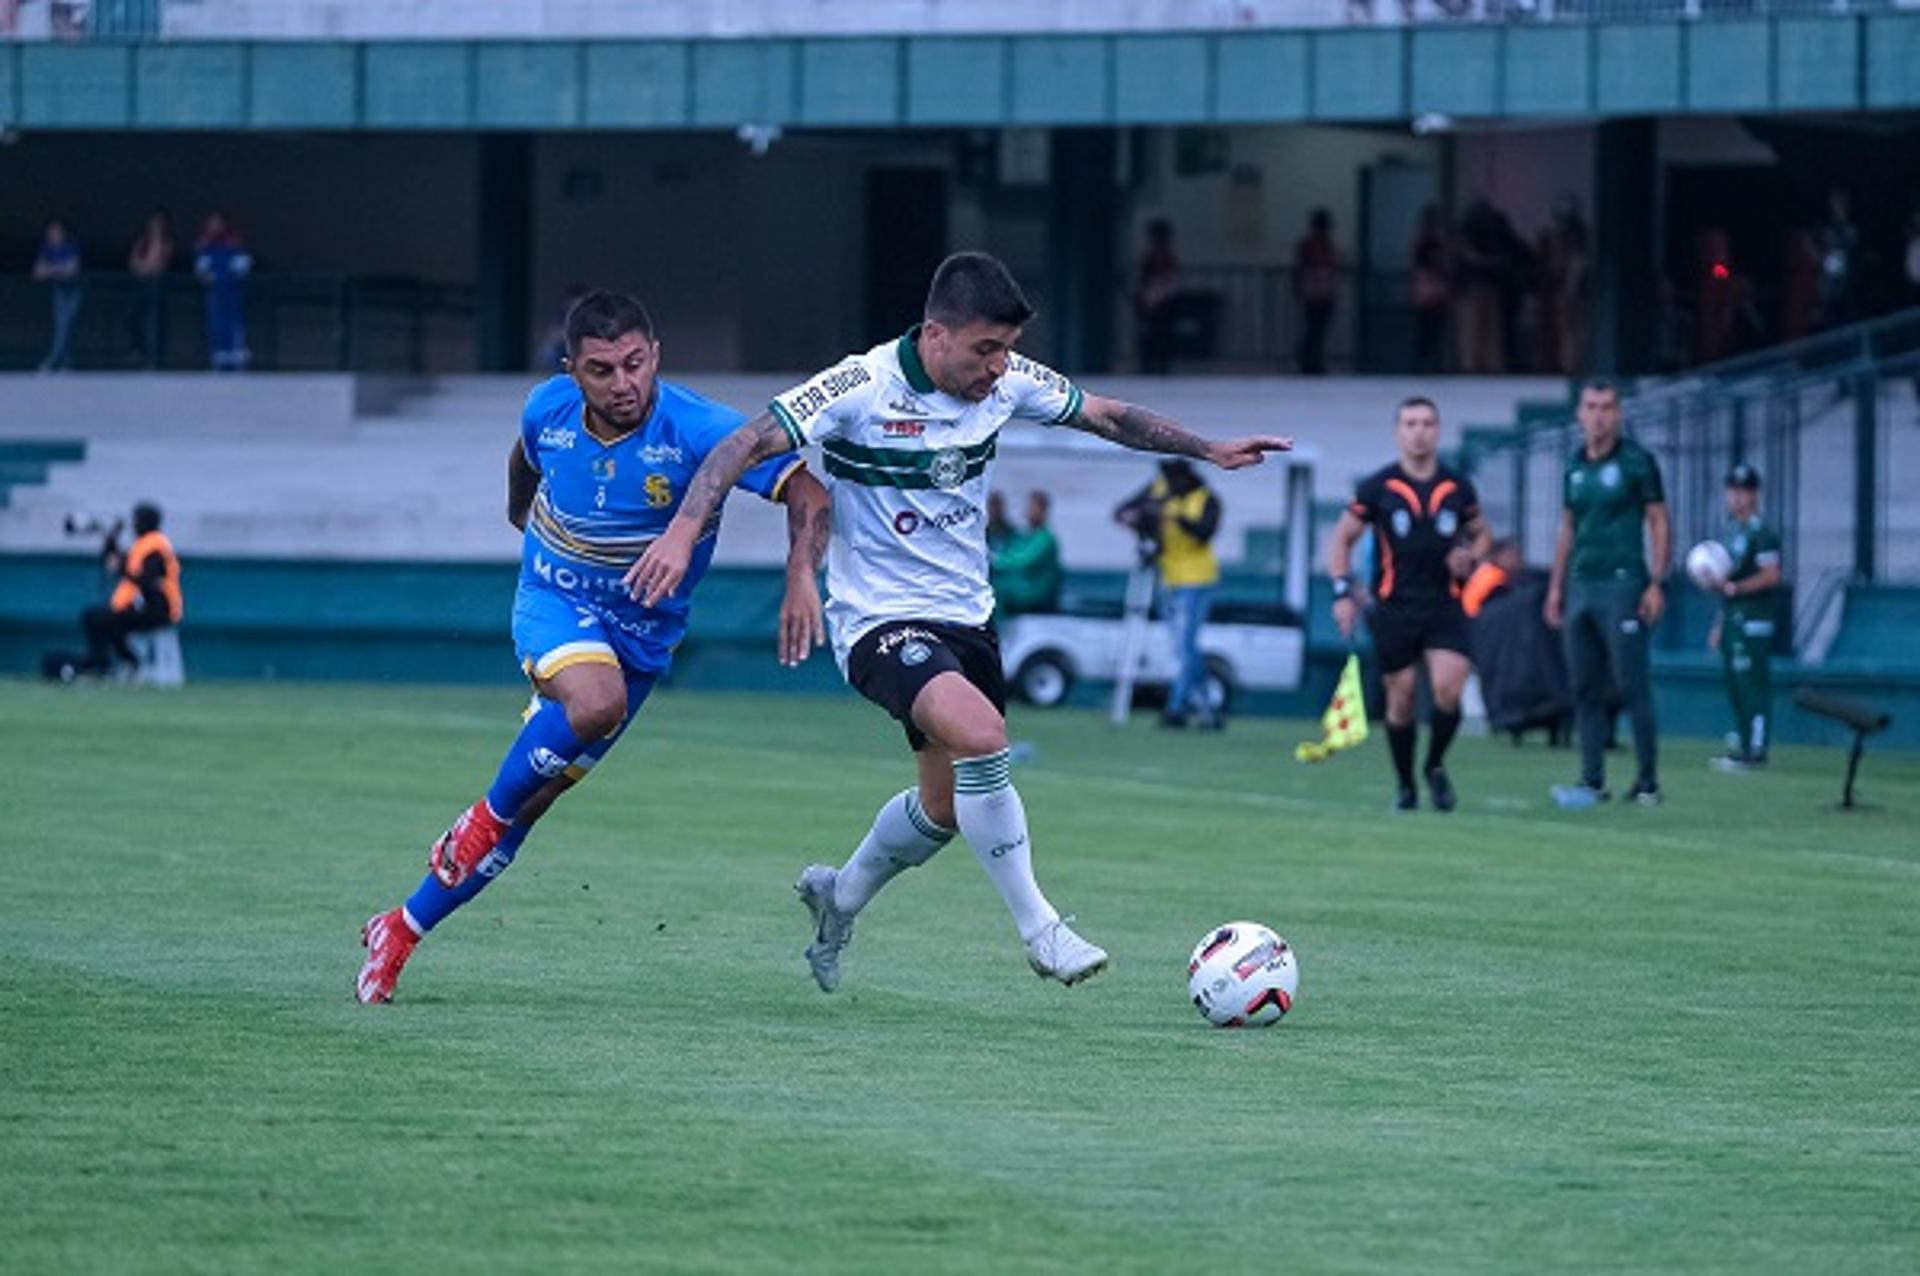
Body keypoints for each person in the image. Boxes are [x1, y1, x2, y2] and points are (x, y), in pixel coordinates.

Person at [624, 251, 1291, 993]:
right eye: (986, 349)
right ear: (935, 334)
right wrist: (686, 531)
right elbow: (742, 444)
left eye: (1006, 349)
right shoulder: (860, 386)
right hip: (878, 620)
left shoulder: (1006, 383)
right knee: (984, 736)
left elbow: (1106, 414)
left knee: (943, 808)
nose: (1000, 367)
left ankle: (838, 900)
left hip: (967, 618)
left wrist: (1207, 448)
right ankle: (1043, 931)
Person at [354, 291, 831, 1004]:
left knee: (534, 804)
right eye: (602, 369)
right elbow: (527, 454)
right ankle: (475, 819)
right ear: (573, 370)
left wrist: (799, 575)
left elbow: (811, 495)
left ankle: (401, 929)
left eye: (635, 364)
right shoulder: (548, 408)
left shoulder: (700, 429)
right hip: (555, 603)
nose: (623, 383)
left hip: (643, 639)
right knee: (590, 703)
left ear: (656, 357)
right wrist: (520, 514)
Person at [1327, 397, 1490, 811]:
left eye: (1427, 423)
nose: (1419, 431)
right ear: (1398, 432)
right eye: (1411, 423)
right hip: (1394, 606)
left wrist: (1471, 557)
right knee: (1400, 700)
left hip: (1444, 605)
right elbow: (1342, 539)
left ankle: (1434, 765)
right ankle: (1405, 783)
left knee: (1448, 688)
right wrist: (1343, 592)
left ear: (1438, 430)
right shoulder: (1378, 487)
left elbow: (1483, 534)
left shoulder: (1457, 487)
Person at [1545, 380, 1671, 809]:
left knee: (1631, 682)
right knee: (1584, 685)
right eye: (1591, 407)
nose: (1598, 416)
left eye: (1607, 407)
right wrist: (1555, 586)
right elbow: (1567, 527)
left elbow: (1657, 519)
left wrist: (1657, 580)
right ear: (1580, 413)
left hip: (1623, 582)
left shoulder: (1637, 462)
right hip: (1582, 583)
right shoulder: (1574, 465)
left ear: (1618, 414)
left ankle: (1648, 780)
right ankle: (1592, 778)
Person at [1115, 459, 1224, 729]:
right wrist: (1140, 519)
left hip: (1197, 580)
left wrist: (1171, 515)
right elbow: (1124, 510)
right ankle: (1208, 709)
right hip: (1169, 578)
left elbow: (1203, 533)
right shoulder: (1161, 489)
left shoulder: (1206, 499)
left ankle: (1176, 709)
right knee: (1183, 648)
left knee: (1185, 646)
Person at [42, 503, 183, 681]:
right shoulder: (143, 546)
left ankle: (121, 662)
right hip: (144, 606)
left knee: (107, 620)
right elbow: (119, 562)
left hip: (159, 609)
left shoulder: (156, 547)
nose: (134, 525)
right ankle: (109, 662)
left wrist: (121, 567)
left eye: (137, 520)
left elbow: (145, 578)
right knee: (97, 617)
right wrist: (110, 538)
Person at [1708, 463, 1782, 771]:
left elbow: (1771, 576)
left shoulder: (1761, 533)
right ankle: (1741, 741)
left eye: (1745, 491)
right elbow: (1725, 586)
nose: (1739, 498)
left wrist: (1735, 588)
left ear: (1755, 495)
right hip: (1734, 619)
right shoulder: (1730, 532)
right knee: (1735, 683)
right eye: (1734, 491)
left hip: (1754, 619)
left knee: (1753, 685)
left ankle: (1756, 748)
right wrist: (1719, 623)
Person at [193, 213, 252, 371]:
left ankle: (236, 356)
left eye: (217, 223)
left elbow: (243, 264)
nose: (215, 227)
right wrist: (208, 277)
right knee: (216, 322)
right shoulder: (204, 246)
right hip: (215, 291)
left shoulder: (233, 244)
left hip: (232, 290)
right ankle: (219, 356)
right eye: (212, 224)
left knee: (234, 321)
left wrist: (233, 275)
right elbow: (201, 268)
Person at [991, 490, 1064, 617]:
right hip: (1024, 588)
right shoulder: (1026, 536)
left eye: (1033, 508)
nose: (1029, 512)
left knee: (997, 593)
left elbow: (1023, 561)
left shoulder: (1046, 538)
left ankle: (997, 632)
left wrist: (994, 560)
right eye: (1029, 507)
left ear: (1044, 511)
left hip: (1038, 592)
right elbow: (1012, 549)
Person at [1292, 209, 1340, 374]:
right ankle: (1308, 361)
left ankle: (1314, 361)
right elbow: (1301, 269)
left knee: (1318, 330)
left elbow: (1330, 270)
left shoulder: (1327, 246)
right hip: (1314, 294)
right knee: (1313, 330)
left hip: (1322, 294)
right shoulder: (1309, 246)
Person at [32, 219, 84, 372]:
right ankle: (65, 361)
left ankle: (54, 358)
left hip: (74, 290)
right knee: (60, 325)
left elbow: (73, 269)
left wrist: (52, 270)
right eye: (50, 233)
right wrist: (59, 270)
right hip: (59, 290)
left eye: (56, 233)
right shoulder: (46, 249)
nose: (53, 236)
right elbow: (38, 272)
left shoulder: (70, 248)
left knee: (66, 324)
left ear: (62, 234)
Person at [1134, 219, 1181, 375]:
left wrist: (1157, 294)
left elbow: (1169, 277)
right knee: (1151, 333)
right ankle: (1150, 365)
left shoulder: (1165, 256)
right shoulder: (1152, 256)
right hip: (1153, 297)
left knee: (1161, 333)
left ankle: (1160, 365)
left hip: (1162, 298)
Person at [127, 211, 173, 368]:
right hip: (141, 283)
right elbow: (133, 262)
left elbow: (160, 263)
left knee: (155, 319)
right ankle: (138, 350)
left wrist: (157, 241)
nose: (155, 227)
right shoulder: (142, 241)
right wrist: (143, 267)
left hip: (157, 285)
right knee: (135, 316)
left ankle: (156, 356)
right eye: (153, 224)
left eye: (159, 224)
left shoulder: (166, 242)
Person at [1409, 203, 1450, 375]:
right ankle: (1423, 365)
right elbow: (1427, 264)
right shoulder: (1426, 243)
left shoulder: (1437, 241)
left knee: (1434, 330)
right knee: (1427, 330)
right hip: (1427, 288)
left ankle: (1432, 364)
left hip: (1433, 289)